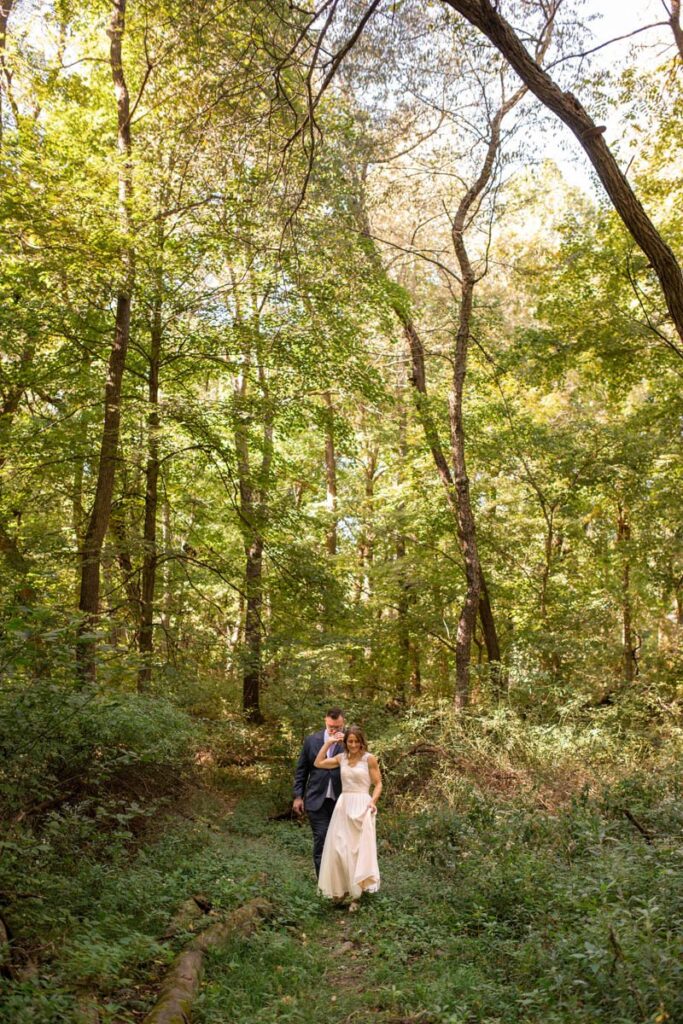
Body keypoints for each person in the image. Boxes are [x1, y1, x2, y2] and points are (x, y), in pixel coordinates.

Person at [314, 724, 382, 906]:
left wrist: (372, 801)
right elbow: (318, 763)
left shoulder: (369, 759)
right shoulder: (341, 758)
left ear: (362, 743)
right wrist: (328, 743)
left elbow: (378, 783)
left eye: (356, 742)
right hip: (343, 806)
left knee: (357, 851)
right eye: (350, 741)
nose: (353, 745)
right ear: (345, 742)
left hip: (362, 806)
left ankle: (356, 895)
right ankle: (342, 889)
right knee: (339, 849)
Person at [292, 707, 346, 878]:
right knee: (321, 839)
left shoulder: (349, 743)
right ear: (325, 721)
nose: (334, 730)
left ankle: (338, 881)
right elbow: (302, 770)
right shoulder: (311, 741)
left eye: (338, 727)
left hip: (341, 801)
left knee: (340, 842)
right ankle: (323, 883)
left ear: (343, 723)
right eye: (331, 727)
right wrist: (298, 796)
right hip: (316, 800)